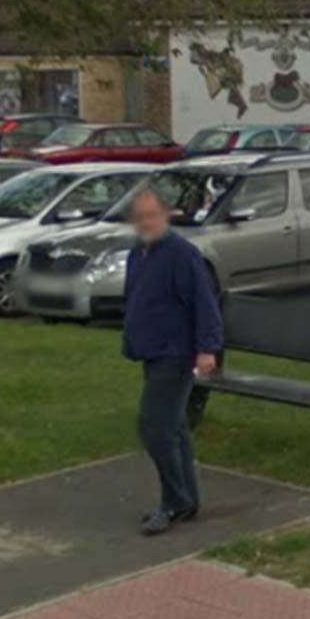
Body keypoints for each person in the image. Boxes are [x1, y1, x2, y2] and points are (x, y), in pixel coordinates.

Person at [121, 188, 223, 536]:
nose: (145, 222)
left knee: (155, 426)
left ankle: (173, 501)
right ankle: (187, 500)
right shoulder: (138, 254)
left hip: (176, 354)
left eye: (151, 215)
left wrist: (207, 349)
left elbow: (204, 302)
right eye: (139, 216)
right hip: (151, 351)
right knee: (175, 427)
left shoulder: (182, 254)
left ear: (165, 215)